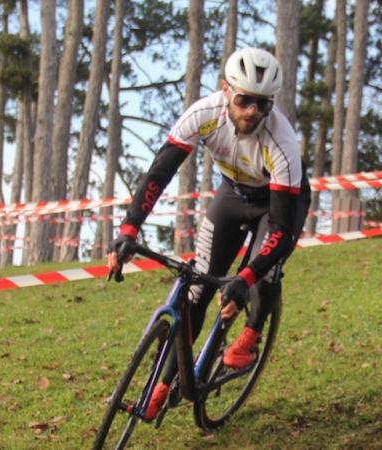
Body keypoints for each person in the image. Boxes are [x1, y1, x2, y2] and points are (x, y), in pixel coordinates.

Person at [107, 47, 310, 420]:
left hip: (278, 204)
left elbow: (280, 230)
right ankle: (161, 388)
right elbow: (159, 172)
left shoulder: (282, 142)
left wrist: (245, 276)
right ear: (225, 90)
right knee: (198, 289)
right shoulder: (204, 113)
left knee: (260, 271)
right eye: (244, 100)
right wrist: (129, 227)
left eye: (263, 104)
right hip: (233, 194)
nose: (252, 111)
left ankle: (251, 332)